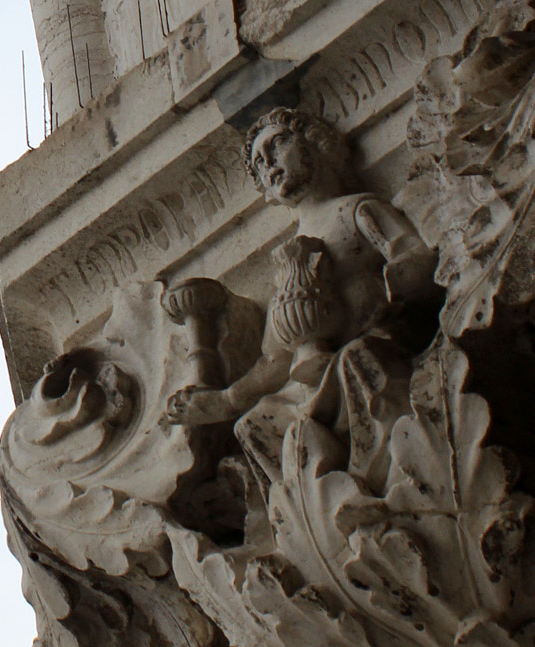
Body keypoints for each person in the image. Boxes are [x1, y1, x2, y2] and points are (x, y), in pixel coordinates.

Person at [167, 106, 438, 482]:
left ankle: (390, 474)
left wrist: (395, 293)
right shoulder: (287, 258)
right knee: (255, 425)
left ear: (314, 140)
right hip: (311, 383)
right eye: (260, 163)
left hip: (371, 348)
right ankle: (310, 510)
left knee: (357, 363)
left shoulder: (356, 211)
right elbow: (275, 358)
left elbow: (412, 253)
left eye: (277, 145)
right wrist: (226, 400)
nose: (270, 164)